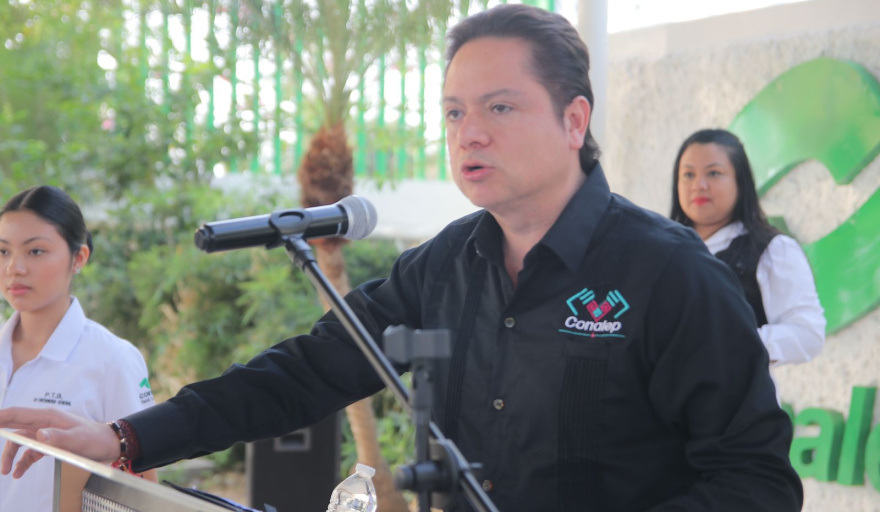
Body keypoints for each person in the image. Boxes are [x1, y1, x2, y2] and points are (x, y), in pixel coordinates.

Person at [1, 6, 802, 512]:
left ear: (574, 120)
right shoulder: (446, 266)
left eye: (499, 107)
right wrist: (126, 438)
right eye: (453, 112)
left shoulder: (671, 276)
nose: (469, 132)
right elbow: (303, 375)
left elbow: (756, 483)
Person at [0, 186, 157, 512]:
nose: (14, 267)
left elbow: (142, 490)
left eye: (35, 251)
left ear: (79, 258)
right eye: (3, 251)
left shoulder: (113, 360)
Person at [671, 128, 825, 370]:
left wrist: (734, 344)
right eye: (688, 174)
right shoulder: (663, 251)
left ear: (740, 181)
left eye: (713, 173)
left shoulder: (771, 249)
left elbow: (808, 334)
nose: (698, 185)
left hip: (737, 393)